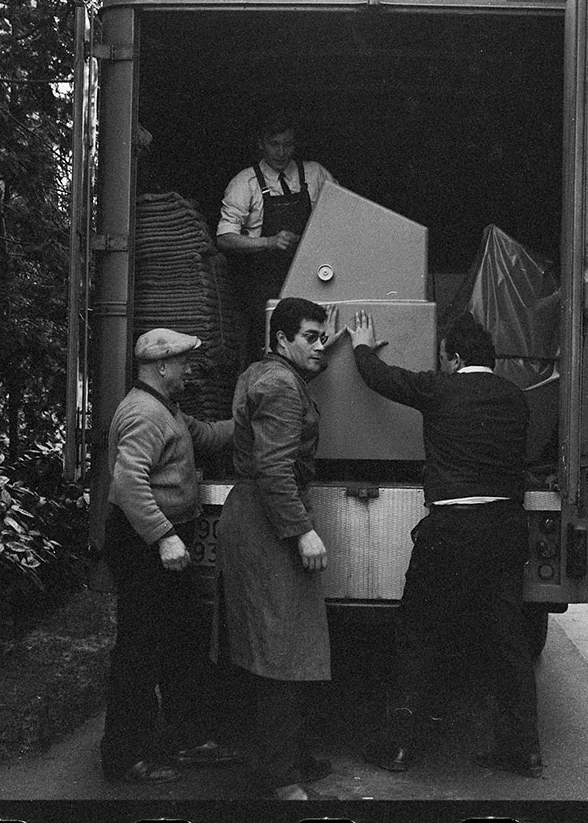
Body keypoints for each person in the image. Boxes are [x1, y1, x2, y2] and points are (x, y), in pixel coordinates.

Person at [346, 311, 543, 779]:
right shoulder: (515, 398)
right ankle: (524, 752)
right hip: (504, 529)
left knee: (418, 636)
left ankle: (396, 748)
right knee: (508, 641)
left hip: (451, 529)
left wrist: (362, 346)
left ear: (453, 357)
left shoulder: (440, 389)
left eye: (443, 357)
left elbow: (382, 379)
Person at [99, 328, 243, 784]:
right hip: (144, 543)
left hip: (159, 541)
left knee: (181, 641)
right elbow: (127, 484)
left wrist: (255, 417)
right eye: (182, 363)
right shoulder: (145, 414)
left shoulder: (167, 409)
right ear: (162, 367)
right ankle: (124, 758)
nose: (188, 370)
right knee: (140, 650)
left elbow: (208, 436)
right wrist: (163, 536)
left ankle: (186, 738)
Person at [216, 296, 342, 799]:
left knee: (277, 645)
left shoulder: (268, 374)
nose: (320, 346)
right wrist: (301, 530)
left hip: (256, 516)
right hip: (269, 523)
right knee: (279, 649)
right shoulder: (280, 386)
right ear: (282, 339)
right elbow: (273, 469)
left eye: (324, 337)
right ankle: (277, 775)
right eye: (310, 337)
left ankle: (284, 756)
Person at [216, 110, 337, 358]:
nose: (281, 153)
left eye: (288, 145)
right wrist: (270, 242)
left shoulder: (316, 174)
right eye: (274, 145)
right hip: (263, 286)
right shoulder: (244, 183)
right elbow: (224, 238)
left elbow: (344, 216)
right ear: (260, 143)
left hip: (312, 279)